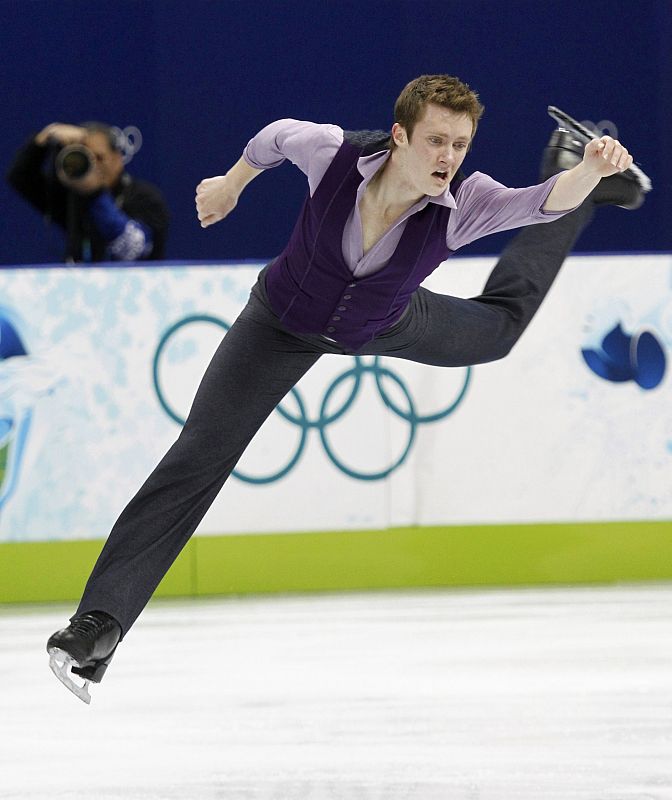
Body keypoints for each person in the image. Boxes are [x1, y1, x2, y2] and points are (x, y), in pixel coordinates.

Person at [46, 75, 649, 703]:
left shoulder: (465, 202)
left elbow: (539, 203)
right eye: (437, 140)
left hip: (383, 320)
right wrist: (230, 184)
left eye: (461, 145)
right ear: (400, 136)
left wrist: (582, 174)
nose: (448, 157)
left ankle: (586, 176)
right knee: (197, 457)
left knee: (498, 332)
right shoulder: (334, 154)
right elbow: (273, 137)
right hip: (279, 324)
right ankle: (97, 628)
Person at [6, 122, 169, 262]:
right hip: (77, 292)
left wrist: (94, 193)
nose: (93, 166)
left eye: (98, 157)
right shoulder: (72, 196)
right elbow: (20, 178)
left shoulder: (144, 196)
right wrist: (43, 139)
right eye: (85, 158)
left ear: (118, 158)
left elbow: (133, 248)